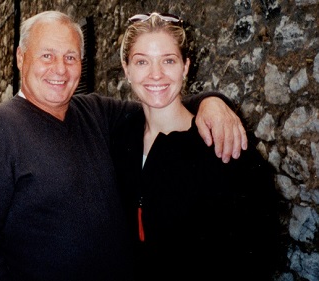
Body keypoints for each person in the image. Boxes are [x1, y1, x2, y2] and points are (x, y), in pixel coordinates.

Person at [0, 11, 248, 281]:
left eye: (70, 57)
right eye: (46, 56)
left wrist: (211, 102)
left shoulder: (94, 113)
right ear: (20, 58)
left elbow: (157, 102)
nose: (60, 69)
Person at [112, 12, 282, 280]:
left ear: (186, 66)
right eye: (142, 61)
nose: (156, 75)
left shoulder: (222, 143)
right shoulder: (118, 140)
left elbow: (259, 249)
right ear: (127, 69)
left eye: (168, 60)